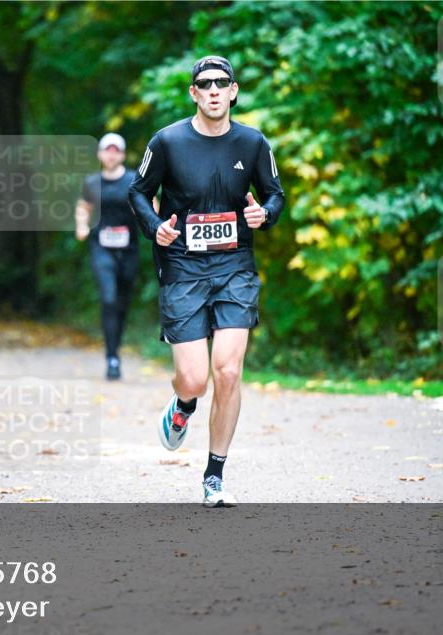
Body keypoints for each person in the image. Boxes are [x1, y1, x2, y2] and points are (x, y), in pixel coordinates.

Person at [128, 55, 285, 507]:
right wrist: (154, 226)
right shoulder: (168, 142)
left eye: (222, 83)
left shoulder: (253, 143)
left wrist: (264, 214)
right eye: (204, 84)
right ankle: (183, 406)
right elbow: (137, 192)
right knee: (195, 379)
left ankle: (214, 476)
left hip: (234, 265)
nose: (214, 90)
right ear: (194, 93)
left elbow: (275, 195)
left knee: (228, 371)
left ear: (233, 91)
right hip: (182, 266)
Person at [76, 133, 140, 380]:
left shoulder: (134, 180)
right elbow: (84, 208)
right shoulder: (92, 183)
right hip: (102, 247)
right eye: (107, 150)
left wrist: (155, 224)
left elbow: (149, 205)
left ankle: (116, 345)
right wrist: (81, 226)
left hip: (129, 249)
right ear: (100, 154)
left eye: (116, 150)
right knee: (109, 298)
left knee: (122, 302)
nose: (111, 154)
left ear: (122, 155)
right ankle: (112, 357)